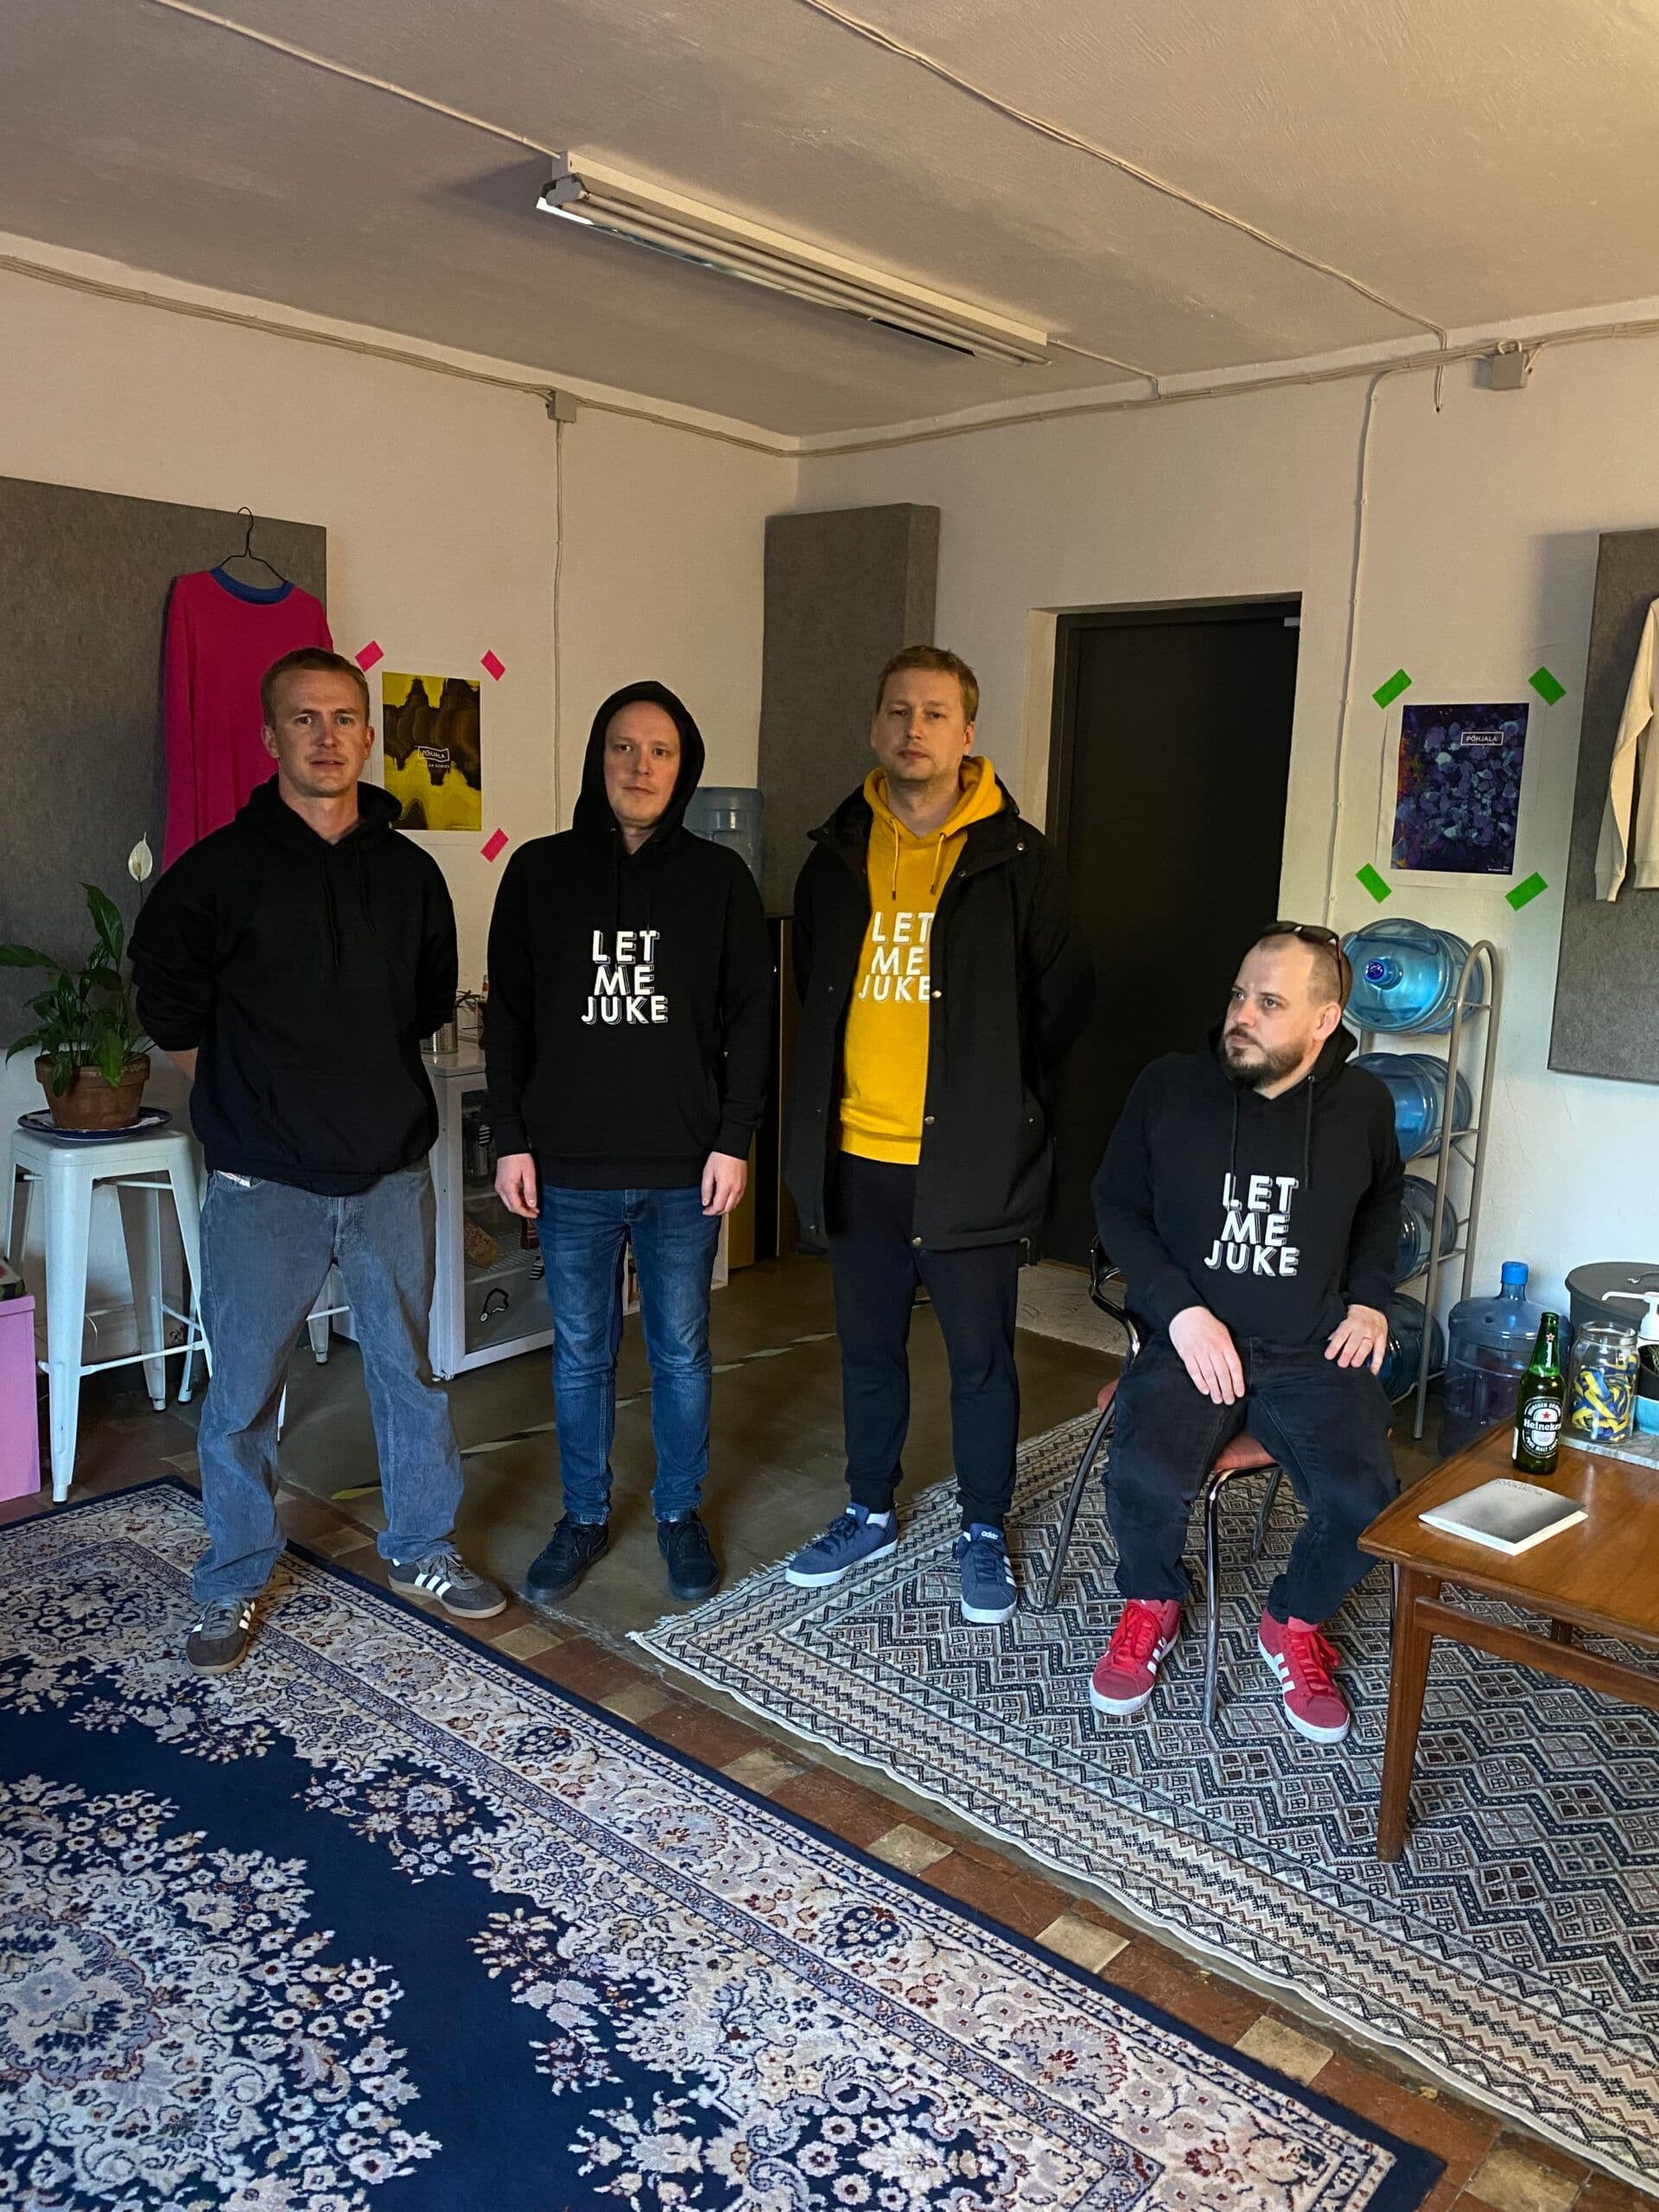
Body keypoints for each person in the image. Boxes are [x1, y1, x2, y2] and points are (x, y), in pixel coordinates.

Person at [132, 646, 504, 1675]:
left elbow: (424, 1001)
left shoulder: (411, 874)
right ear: (271, 737)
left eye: (343, 718)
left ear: (368, 736)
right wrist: (249, 1090)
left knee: (409, 1374)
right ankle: (233, 1575)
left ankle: (422, 1547)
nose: (327, 737)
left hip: (388, 1173)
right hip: (264, 1185)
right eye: (304, 718)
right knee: (244, 1393)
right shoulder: (217, 873)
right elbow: (167, 1000)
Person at [782, 645, 1092, 1624]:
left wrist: (1002, 1107)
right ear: (876, 726)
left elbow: (1061, 1005)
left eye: (934, 713)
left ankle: (984, 1527)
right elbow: (816, 989)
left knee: (981, 1360)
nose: (913, 729)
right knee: (868, 1351)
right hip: (857, 1157)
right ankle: (869, 1508)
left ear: (968, 733)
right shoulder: (834, 856)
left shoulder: (1022, 860)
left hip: (970, 1164)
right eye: (897, 711)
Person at [486, 682, 772, 1604]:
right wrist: (511, 1138)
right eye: (622, 746)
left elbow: (752, 1016)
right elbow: (509, 1018)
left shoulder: (720, 880)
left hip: (686, 1167)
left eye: (659, 750)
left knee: (682, 1351)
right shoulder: (538, 872)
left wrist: (735, 1138)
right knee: (581, 1354)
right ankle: (582, 1515)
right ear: (597, 758)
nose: (639, 766)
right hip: (569, 1166)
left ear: (684, 767)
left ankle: (680, 1512)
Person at [1088, 923, 1402, 1743]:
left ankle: (1292, 1621)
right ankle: (1152, 1600)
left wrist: (1370, 1299)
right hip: (1190, 1337)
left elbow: (1382, 1203)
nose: (1242, 1016)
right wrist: (1180, 1312)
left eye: (1270, 1003)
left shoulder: (1363, 1106)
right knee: (1143, 1476)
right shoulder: (1168, 1087)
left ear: (1324, 1021)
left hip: (1309, 1346)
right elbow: (1116, 1205)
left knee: (1367, 1505)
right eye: (1238, 996)